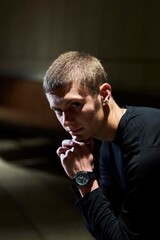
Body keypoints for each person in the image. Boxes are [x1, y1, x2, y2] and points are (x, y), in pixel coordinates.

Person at [43, 51, 160, 240]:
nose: (66, 121)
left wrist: (84, 177)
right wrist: (82, 178)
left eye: (74, 105)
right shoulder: (107, 139)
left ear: (104, 94)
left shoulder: (145, 152)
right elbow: (105, 227)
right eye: (58, 110)